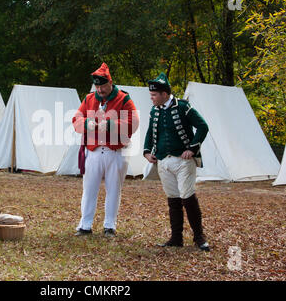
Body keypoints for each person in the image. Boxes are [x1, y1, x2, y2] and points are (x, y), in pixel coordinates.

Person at [143, 72, 210, 251]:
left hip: (183, 161)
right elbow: (151, 132)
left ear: (164, 94)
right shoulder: (154, 110)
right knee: (173, 199)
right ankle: (176, 238)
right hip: (164, 161)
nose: (151, 98)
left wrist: (192, 148)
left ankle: (199, 237)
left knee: (188, 197)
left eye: (154, 95)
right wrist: (147, 152)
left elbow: (203, 126)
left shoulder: (183, 107)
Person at [72, 62, 139, 237]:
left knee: (114, 189)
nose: (100, 90)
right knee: (89, 189)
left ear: (110, 82)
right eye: (97, 86)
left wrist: (109, 125)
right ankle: (85, 224)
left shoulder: (124, 99)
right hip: (93, 151)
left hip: (115, 151)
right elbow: (76, 120)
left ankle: (110, 225)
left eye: (102, 86)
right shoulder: (89, 99)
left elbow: (133, 123)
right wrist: (88, 123)